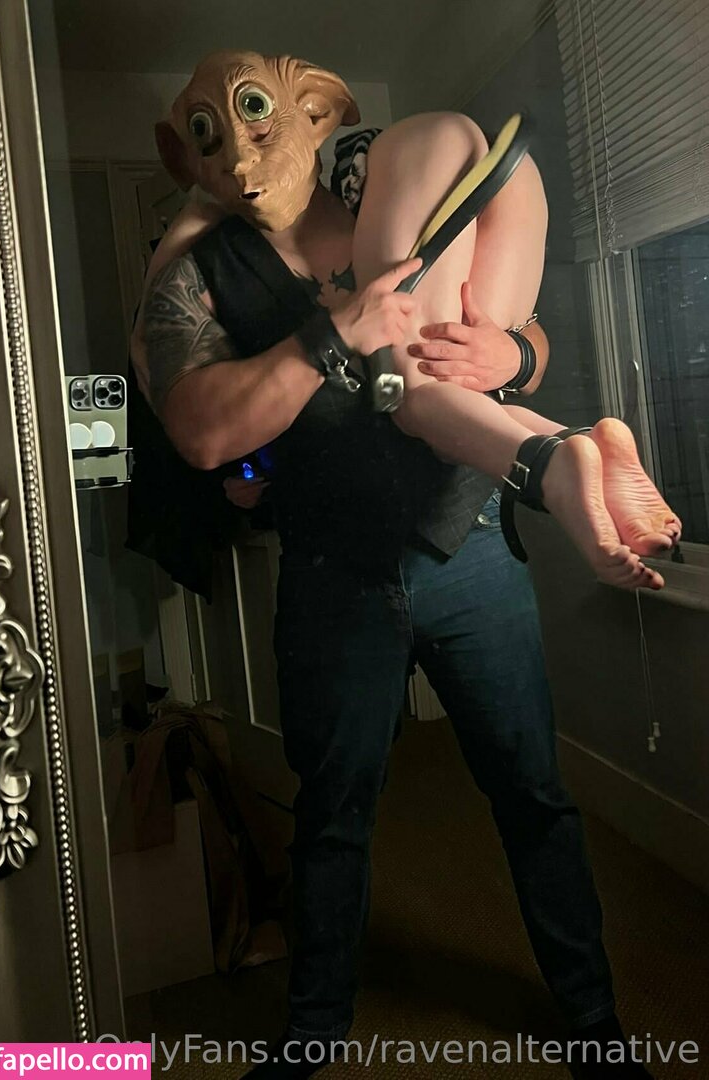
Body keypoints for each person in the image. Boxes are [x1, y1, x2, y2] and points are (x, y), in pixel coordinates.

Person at [133, 50, 656, 1078]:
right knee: (333, 813)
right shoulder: (195, 270)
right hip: (332, 571)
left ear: (311, 114)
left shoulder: (378, 179)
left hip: (470, 549)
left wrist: (517, 357)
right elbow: (198, 431)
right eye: (212, 139)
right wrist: (326, 337)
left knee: (534, 795)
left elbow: (516, 323)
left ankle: (595, 1026)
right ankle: (313, 1035)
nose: (244, 156)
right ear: (190, 160)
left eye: (258, 120)